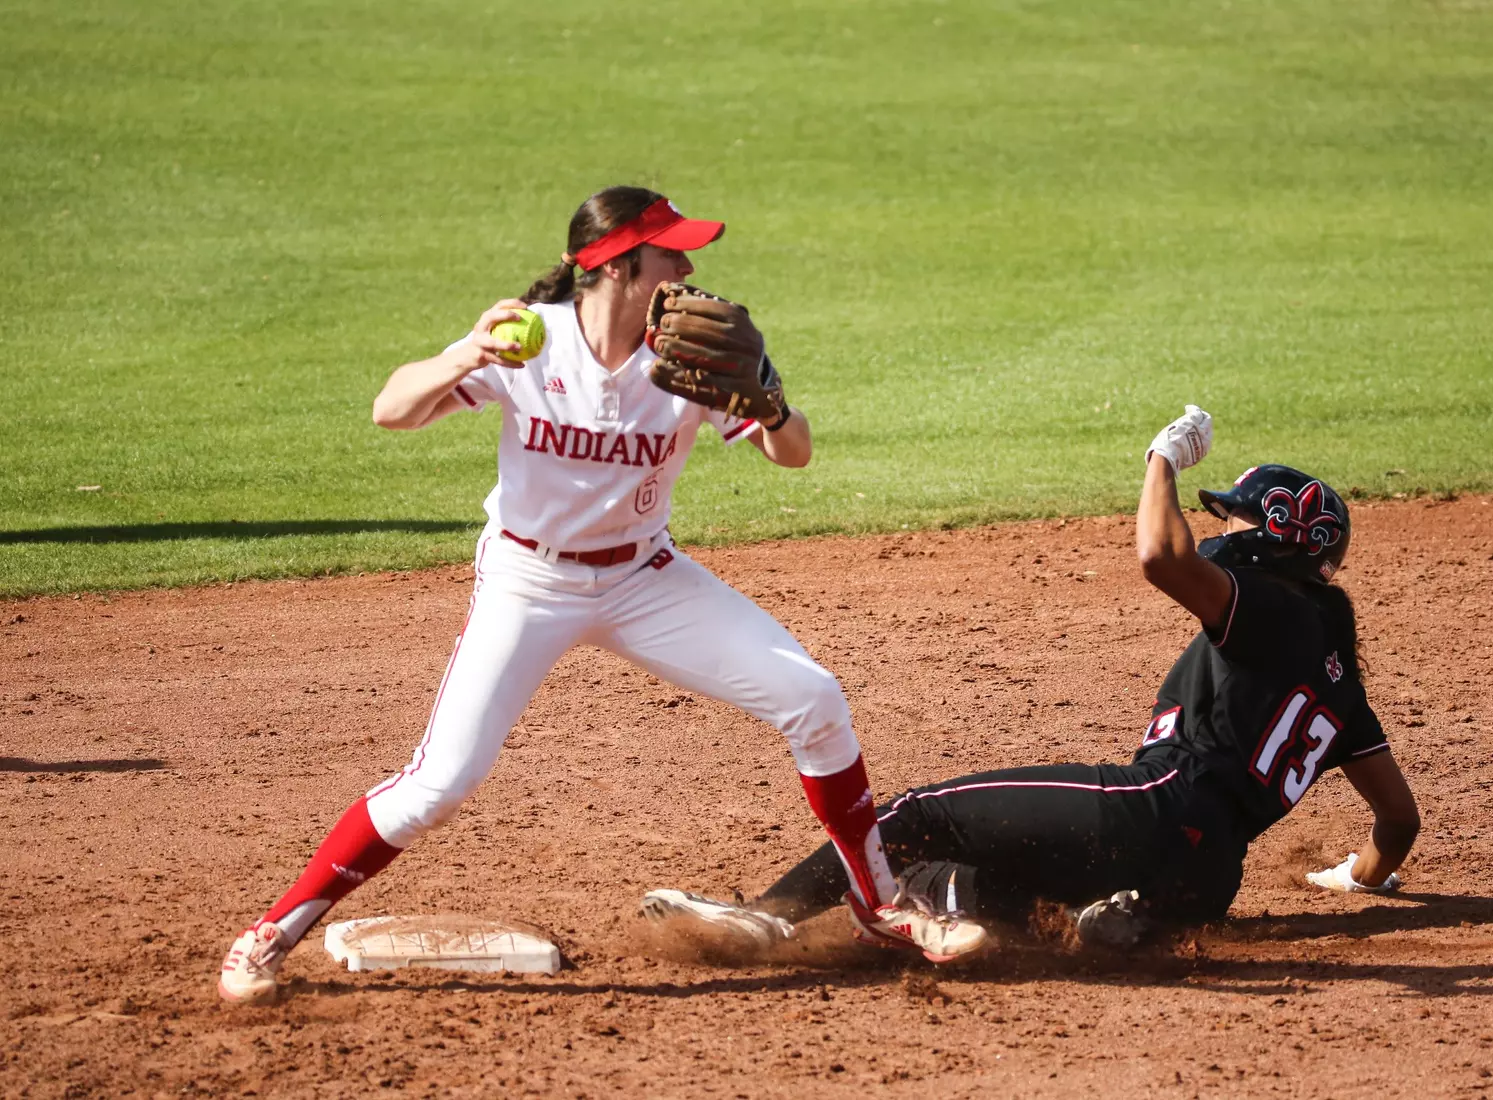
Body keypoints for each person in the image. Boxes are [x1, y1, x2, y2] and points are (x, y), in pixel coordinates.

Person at [217, 186, 985, 1003]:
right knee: (440, 783)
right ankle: (270, 934)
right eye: (670, 254)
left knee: (814, 697)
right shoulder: (530, 341)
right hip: (528, 580)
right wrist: (466, 354)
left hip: (642, 579)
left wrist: (770, 399)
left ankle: (879, 905)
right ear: (615, 265)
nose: (689, 269)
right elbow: (391, 411)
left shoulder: (693, 355)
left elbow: (792, 454)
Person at [641, 405, 1422, 948]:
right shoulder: (1336, 672)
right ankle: (1099, 925)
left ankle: (768, 918)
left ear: (1282, 545)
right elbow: (1398, 822)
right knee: (970, 879)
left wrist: (1162, 460)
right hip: (1208, 880)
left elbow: (1161, 557)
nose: (1222, 530)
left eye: (1238, 521)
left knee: (921, 815)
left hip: (1151, 809)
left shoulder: (1278, 608)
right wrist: (1360, 880)